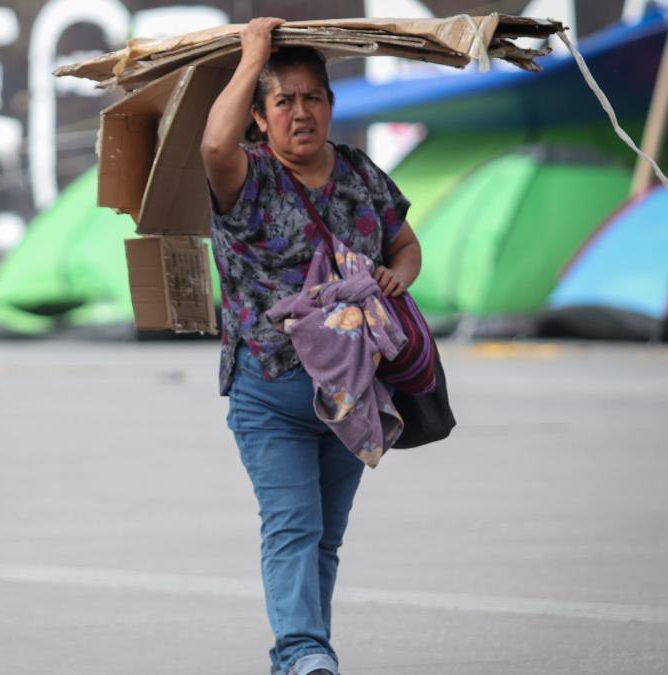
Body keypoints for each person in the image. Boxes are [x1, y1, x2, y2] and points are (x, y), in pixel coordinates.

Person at [201, 18, 422, 675]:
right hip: (268, 388)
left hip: (354, 390)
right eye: (283, 100)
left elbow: (405, 243)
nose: (301, 111)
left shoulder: (358, 172)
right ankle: (303, 650)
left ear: (330, 103)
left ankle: (302, 655)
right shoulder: (247, 176)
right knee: (292, 525)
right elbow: (214, 144)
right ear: (260, 118)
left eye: (313, 97)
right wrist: (252, 57)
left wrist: (395, 276)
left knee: (325, 536)